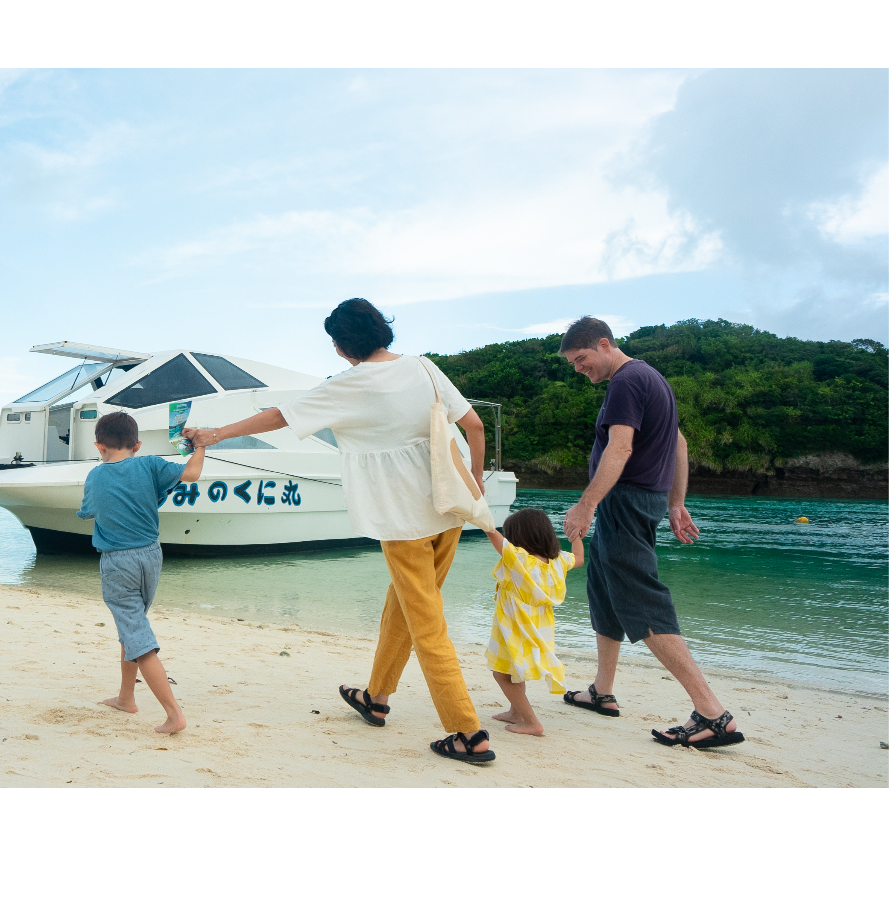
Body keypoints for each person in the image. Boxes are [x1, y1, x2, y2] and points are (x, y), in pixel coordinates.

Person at [184, 298, 497, 764]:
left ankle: (468, 733)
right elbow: (474, 425)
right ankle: (376, 698)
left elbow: (281, 417)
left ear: (341, 346)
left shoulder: (350, 383)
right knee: (406, 605)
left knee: (427, 625)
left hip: (404, 520)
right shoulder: (424, 367)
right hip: (450, 509)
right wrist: (475, 481)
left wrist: (213, 435)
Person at [558, 316, 745, 749]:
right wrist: (676, 503)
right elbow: (678, 443)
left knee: (643, 601)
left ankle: (712, 713)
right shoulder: (651, 378)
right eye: (572, 363)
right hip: (639, 501)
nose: (578, 368)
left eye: (581, 358)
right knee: (605, 591)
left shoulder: (626, 382)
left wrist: (586, 505)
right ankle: (602, 690)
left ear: (604, 345)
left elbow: (621, 447)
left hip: (626, 501)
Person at [76, 411, 205, 735]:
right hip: (151, 556)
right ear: (137, 444)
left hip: (119, 562)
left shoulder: (96, 476)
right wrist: (200, 445)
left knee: (137, 635)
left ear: (99, 446)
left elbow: (87, 511)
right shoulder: (150, 465)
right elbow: (192, 473)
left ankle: (174, 714)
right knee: (132, 626)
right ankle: (126, 698)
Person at [482, 508, 582, 736]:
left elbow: (489, 530)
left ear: (519, 537)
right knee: (514, 671)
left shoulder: (519, 560)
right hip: (538, 629)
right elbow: (579, 558)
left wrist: (475, 507)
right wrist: (575, 536)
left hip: (513, 627)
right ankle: (515, 712)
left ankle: (531, 721)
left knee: (501, 674)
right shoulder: (557, 562)